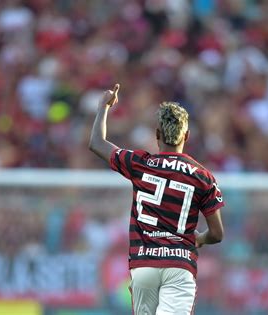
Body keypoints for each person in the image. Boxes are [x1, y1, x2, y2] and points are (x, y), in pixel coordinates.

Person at [89, 84, 225, 315]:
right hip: (179, 264)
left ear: (157, 134)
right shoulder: (202, 176)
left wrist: (103, 107)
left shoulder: (140, 164)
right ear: (187, 136)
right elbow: (217, 234)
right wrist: (200, 239)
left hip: (144, 265)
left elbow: (97, 143)